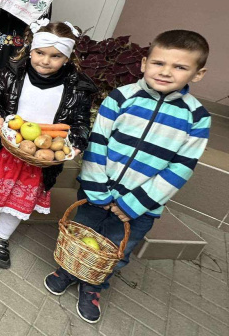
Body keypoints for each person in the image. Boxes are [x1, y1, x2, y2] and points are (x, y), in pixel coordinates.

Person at [45, 30, 211, 324]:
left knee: (116, 250)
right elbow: (98, 143)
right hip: (96, 193)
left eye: (180, 67)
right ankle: (68, 270)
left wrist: (135, 204)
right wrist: (98, 190)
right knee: (81, 235)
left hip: (141, 207)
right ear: (144, 63)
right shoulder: (121, 97)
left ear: (198, 74)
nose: (166, 72)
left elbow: (181, 168)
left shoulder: (197, 118)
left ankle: (93, 285)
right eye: (159, 63)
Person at [0, 21, 96, 270]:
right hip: (5, 149)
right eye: (40, 53)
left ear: (67, 57)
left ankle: (2, 237)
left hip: (41, 156)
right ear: (31, 49)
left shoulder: (77, 87)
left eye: (55, 56)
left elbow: (81, 123)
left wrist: (76, 142)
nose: (45, 61)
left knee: (21, 199)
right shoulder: (12, 72)